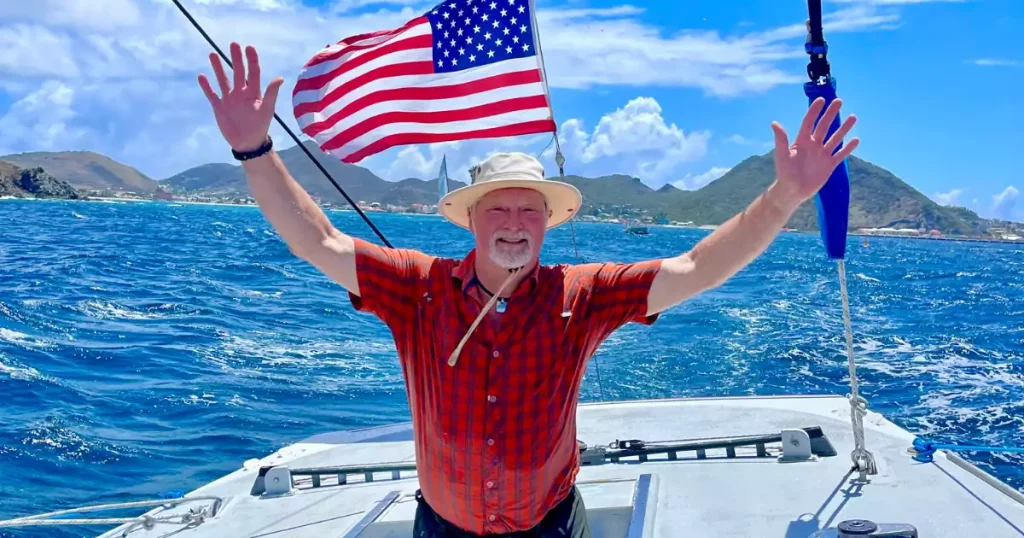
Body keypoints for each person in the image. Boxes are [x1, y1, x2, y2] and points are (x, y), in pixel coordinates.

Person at [197, 43, 859, 538]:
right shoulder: (417, 290)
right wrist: (256, 149)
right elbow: (318, 242)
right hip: (442, 526)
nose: (515, 225)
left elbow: (695, 268)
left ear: (547, 221)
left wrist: (783, 198)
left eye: (529, 211)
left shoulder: (582, 295)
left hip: (549, 526)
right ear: (471, 219)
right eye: (499, 210)